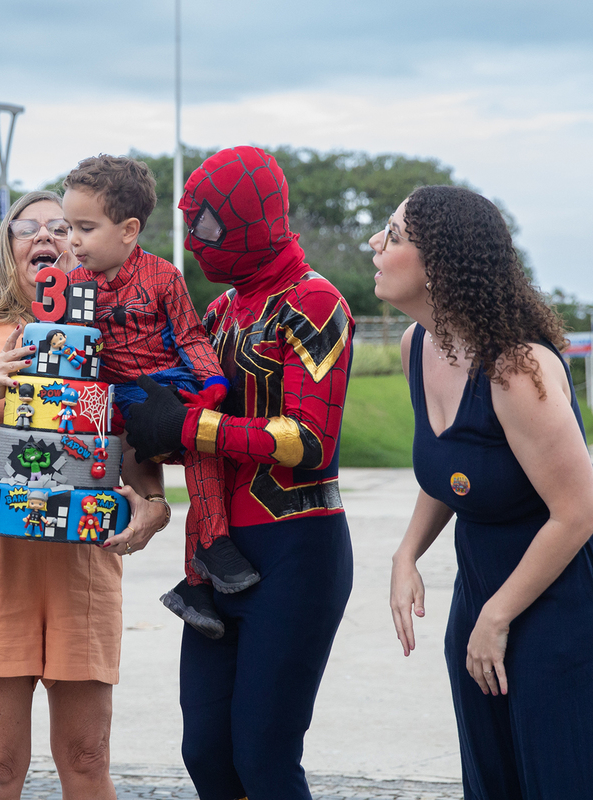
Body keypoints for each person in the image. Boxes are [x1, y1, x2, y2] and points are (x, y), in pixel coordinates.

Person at [0, 190, 169, 800]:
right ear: (9, 246)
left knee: (86, 757)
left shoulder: (112, 329)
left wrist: (152, 508)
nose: (46, 237)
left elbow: (141, 442)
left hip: (83, 544)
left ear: (82, 246)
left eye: (62, 227)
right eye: (29, 228)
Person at [126, 146, 355, 800]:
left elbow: (311, 442)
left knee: (264, 754)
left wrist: (188, 427)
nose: (196, 243)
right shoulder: (225, 312)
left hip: (297, 548)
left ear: (252, 220)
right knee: (207, 752)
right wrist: (136, 424)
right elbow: (196, 437)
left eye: (208, 227)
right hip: (217, 552)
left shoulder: (313, 303)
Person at [379, 185, 593, 798]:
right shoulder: (416, 347)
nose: (376, 245)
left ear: (437, 266)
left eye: (393, 236)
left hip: (554, 609)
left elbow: (577, 512)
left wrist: (498, 615)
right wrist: (406, 553)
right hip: (479, 602)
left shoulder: (516, 369)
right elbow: (458, 471)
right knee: (491, 781)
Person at [60, 155, 251, 639]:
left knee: (201, 441)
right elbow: (66, 349)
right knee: (94, 433)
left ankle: (212, 547)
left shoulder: (163, 276)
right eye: (69, 227)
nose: (73, 240)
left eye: (85, 227)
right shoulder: (71, 285)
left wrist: (212, 385)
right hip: (110, 396)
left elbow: (189, 336)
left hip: (165, 384)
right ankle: (68, 500)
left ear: (128, 229)